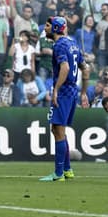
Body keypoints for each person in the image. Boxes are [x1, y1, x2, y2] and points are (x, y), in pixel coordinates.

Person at [39, 16, 89, 182]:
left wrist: (56, 90)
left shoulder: (59, 45)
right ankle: (67, 169)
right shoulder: (72, 43)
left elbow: (65, 67)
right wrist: (82, 92)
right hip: (72, 91)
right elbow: (85, 68)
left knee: (58, 131)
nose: (44, 28)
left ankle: (58, 173)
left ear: (55, 28)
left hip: (64, 91)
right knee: (57, 130)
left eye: (47, 26)